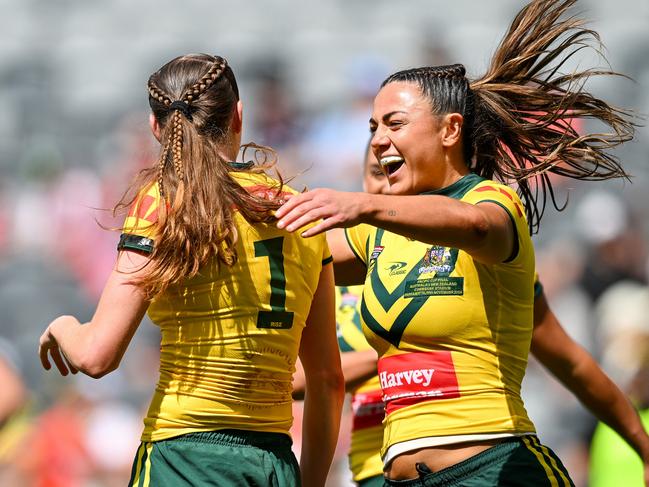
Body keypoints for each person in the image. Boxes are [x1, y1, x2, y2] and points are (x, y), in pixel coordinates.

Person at [277, 0, 640, 485]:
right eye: (372, 128)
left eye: (395, 124)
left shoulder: (493, 202)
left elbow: (475, 227)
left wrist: (641, 444)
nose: (378, 140)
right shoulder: (380, 230)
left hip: (494, 469)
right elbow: (293, 260)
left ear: (450, 130)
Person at [38, 53, 344, 487]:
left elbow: (96, 355)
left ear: (156, 127)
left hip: (184, 458)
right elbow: (328, 380)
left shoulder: (164, 203)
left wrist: (63, 326)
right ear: (239, 116)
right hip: (271, 464)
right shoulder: (302, 214)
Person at [295, 147, 649, 486]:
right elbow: (297, 380)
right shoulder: (337, 270)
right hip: (380, 471)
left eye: (394, 173)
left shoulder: (476, 250)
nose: (387, 188)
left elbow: (568, 360)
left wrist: (641, 443)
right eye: (377, 174)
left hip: (481, 458)